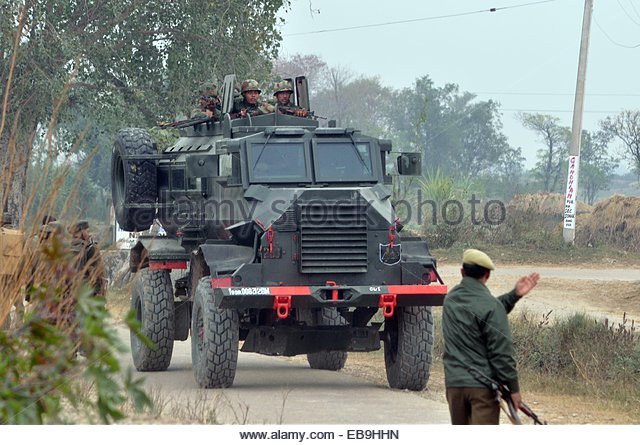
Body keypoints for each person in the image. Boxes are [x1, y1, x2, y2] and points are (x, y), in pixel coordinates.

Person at [442, 248, 540, 425]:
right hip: (481, 388)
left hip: (454, 386)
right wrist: (514, 389)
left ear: (462, 272)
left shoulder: (450, 300)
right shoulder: (491, 306)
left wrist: (513, 295)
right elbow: (501, 353)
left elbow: (482, 310)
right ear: (487, 275)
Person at [68, 220, 107, 298]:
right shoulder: (91, 249)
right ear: (80, 233)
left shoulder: (66, 248)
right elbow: (98, 273)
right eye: (87, 231)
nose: (89, 234)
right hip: (88, 293)